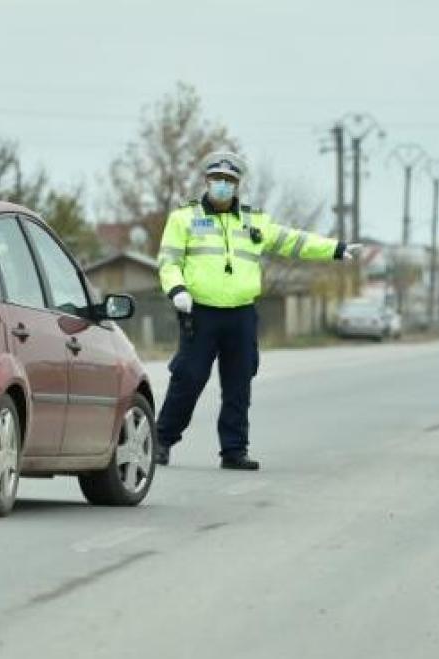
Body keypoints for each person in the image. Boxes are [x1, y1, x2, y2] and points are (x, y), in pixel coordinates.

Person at [154, 151, 362, 470]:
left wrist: (335, 249)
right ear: (206, 181)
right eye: (217, 179)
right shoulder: (183, 218)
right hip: (200, 313)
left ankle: (234, 451)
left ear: (238, 185)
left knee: (239, 383)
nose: (222, 185)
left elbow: (294, 241)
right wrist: (177, 290)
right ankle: (161, 441)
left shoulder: (254, 221)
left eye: (229, 180)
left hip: (241, 315)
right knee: (188, 378)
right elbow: (169, 262)